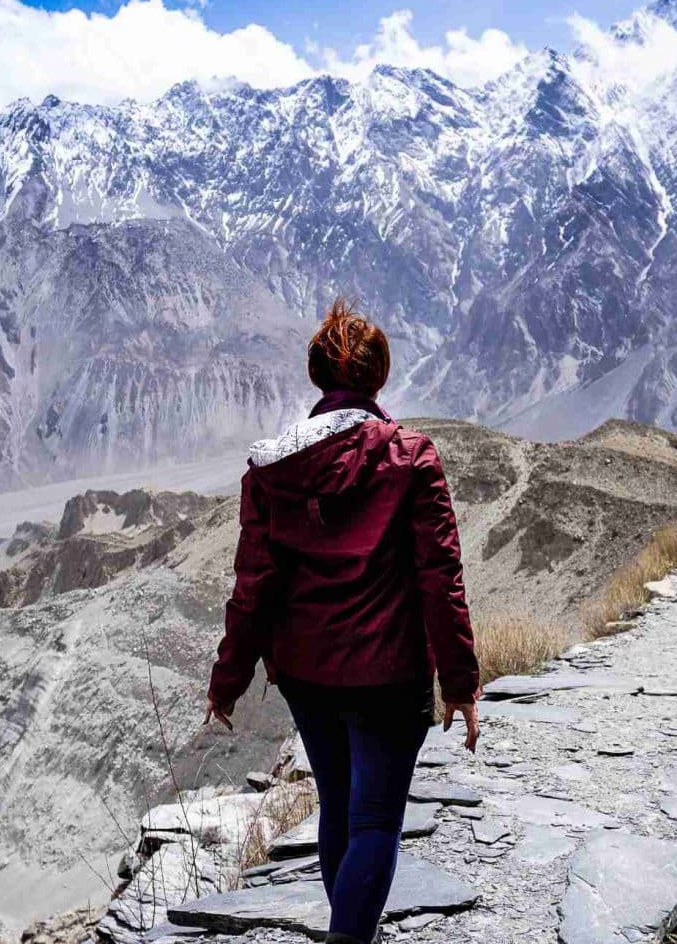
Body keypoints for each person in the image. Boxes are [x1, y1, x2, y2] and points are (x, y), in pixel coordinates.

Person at [205, 298, 481, 944]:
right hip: (388, 676)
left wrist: (227, 682)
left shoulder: (271, 469)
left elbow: (254, 588)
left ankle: (352, 929)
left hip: (307, 676)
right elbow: (441, 578)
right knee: (376, 821)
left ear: (319, 378)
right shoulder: (411, 459)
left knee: (338, 806)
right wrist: (461, 683)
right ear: (378, 379)